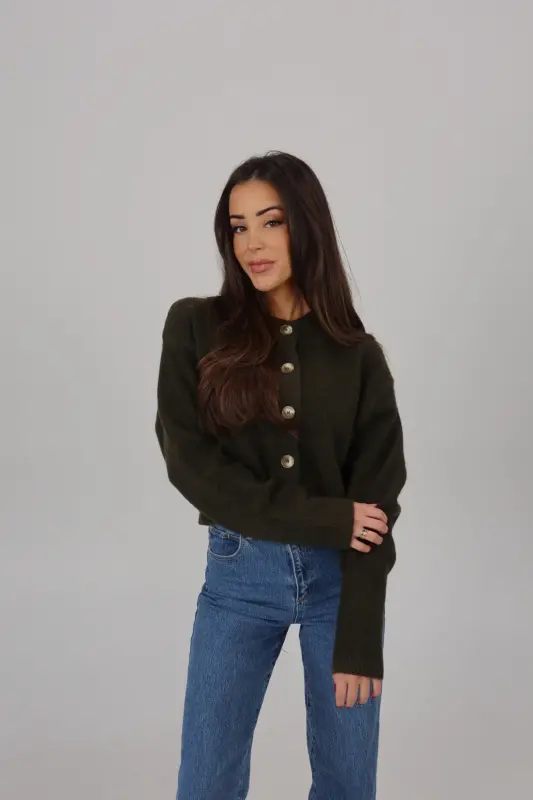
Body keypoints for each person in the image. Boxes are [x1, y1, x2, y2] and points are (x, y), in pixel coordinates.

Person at [155, 150, 407, 800]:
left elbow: (377, 503)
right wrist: (322, 518)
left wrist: (361, 635)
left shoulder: (358, 355)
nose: (252, 243)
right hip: (238, 579)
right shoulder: (195, 324)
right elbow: (188, 462)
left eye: (271, 222)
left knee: (347, 783)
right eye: (238, 226)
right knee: (205, 782)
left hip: (340, 588)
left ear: (306, 225)